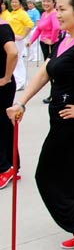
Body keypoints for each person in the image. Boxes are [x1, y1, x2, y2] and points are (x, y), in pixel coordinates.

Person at [6, 0, 74, 250]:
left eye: (62, 9)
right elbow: (44, 73)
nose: (57, 14)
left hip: (72, 123)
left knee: (46, 177)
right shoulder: (64, 40)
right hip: (61, 120)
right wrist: (22, 102)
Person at [28, 0, 60, 104]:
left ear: (53, 3)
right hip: (43, 44)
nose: (45, 3)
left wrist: (52, 40)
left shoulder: (54, 14)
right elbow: (38, 29)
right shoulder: (44, 14)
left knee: (51, 69)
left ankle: (55, 94)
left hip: (51, 45)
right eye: (43, 1)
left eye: (48, 1)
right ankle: (53, 94)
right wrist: (31, 41)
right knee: (48, 70)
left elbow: (56, 28)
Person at [0, 16, 18, 189]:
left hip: (2, 85)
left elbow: (12, 52)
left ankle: (4, 168)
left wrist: (6, 77)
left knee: (2, 124)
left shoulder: (3, 28)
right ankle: (14, 165)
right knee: (5, 123)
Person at [8, 0, 34, 91]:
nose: (14, 4)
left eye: (16, 2)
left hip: (18, 40)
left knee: (17, 60)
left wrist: (23, 36)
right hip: (11, 39)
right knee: (15, 60)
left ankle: (20, 82)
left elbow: (30, 24)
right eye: (12, 2)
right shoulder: (12, 13)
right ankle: (21, 81)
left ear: (20, 3)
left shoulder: (22, 13)